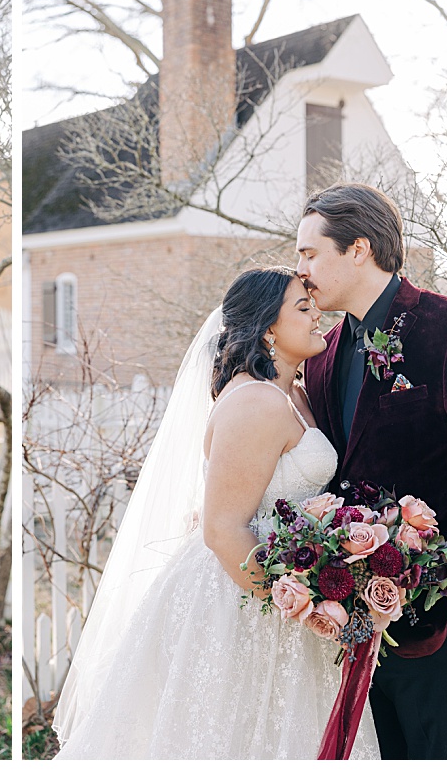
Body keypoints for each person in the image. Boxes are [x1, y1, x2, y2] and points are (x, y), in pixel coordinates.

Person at [52, 267, 380, 759]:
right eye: (304, 309)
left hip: (284, 583)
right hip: (243, 596)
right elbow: (222, 528)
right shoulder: (256, 402)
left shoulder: (293, 395)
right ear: (269, 327)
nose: (320, 317)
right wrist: (295, 603)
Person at [296, 182, 447, 760]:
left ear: (358, 249)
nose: (299, 270)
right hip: (357, 623)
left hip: (446, 619)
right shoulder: (321, 356)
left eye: (309, 252)